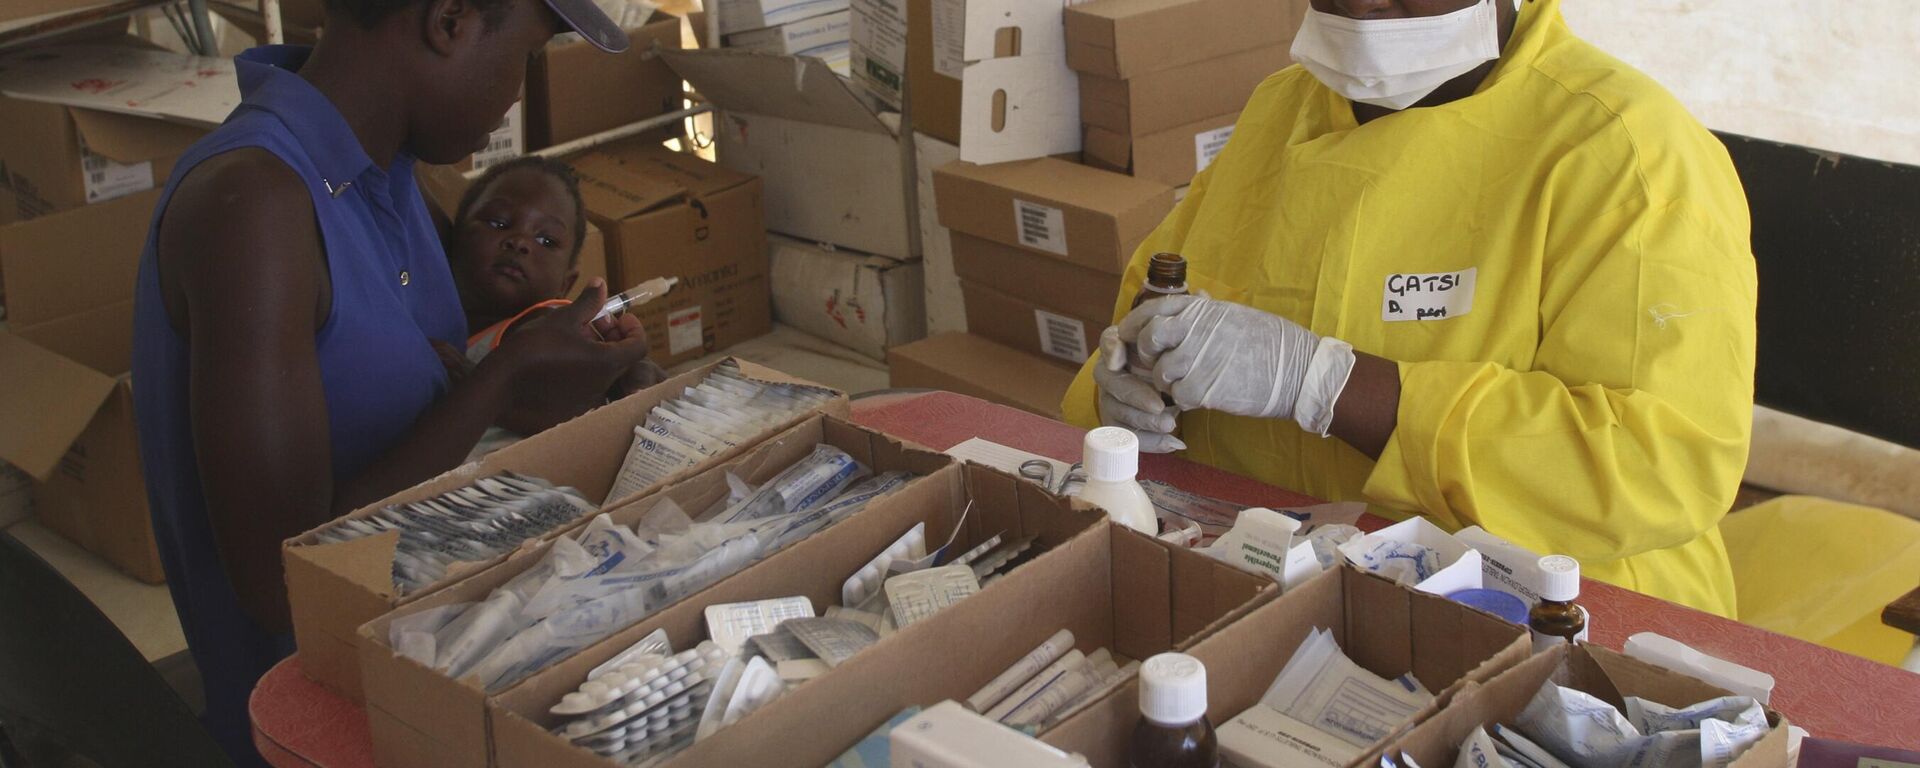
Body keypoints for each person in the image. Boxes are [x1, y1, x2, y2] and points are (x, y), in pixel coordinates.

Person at [1068, 0, 1755, 618]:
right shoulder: (1281, 111)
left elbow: (1659, 462)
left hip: (1558, 628)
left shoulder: (1630, 156)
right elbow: (1152, 305)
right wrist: (1125, 388)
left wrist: (1327, 383)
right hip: (1275, 592)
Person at [129, 0, 645, 761]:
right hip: (332, 718)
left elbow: (451, 360)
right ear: (449, 22)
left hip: (446, 639)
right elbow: (284, 586)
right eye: (525, 56)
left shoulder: (390, 175)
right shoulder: (257, 206)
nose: (515, 91)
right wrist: (502, 382)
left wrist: (565, 361)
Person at [440, 155, 666, 457]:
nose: (520, 241)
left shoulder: (557, 337)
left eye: (546, 240)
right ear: (450, 241)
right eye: (498, 223)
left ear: (565, 284)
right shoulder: (424, 323)